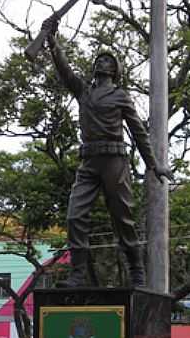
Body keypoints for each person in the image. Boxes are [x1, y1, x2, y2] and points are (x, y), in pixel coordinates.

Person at [44, 16, 172, 287]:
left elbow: (138, 132)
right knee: (75, 216)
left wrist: (154, 164)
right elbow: (65, 71)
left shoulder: (121, 96)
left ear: (115, 70)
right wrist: (52, 40)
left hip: (114, 161)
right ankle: (78, 274)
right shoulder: (84, 93)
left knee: (123, 218)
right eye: (99, 60)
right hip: (88, 162)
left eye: (108, 60)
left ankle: (137, 270)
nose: (102, 62)